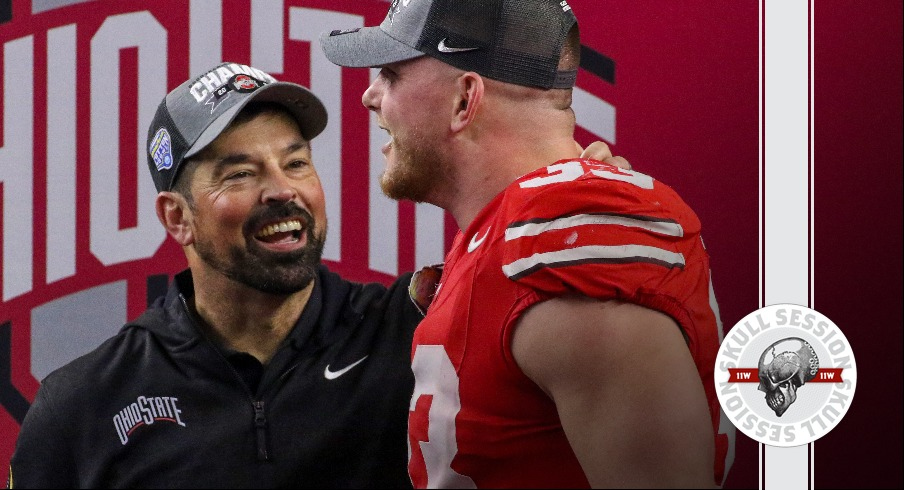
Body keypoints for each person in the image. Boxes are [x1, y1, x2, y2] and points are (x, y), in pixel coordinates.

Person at [7, 61, 628, 488]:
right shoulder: (84, 407)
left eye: (296, 162)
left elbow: (555, 299)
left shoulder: (419, 332)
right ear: (178, 218)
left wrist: (578, 213)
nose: (283, 191)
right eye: (240, 173)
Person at [320, 0, 732, 488]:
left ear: (463, 100)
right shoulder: (520, 230)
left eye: (390, 74)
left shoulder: (569, 239)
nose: (369, 96)